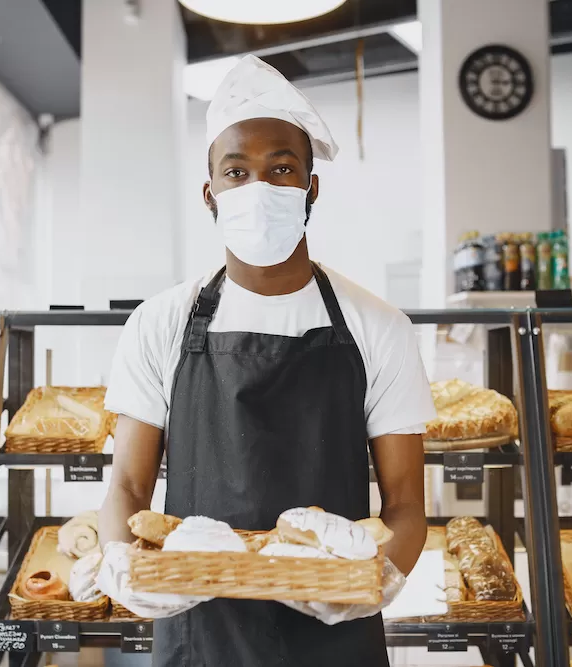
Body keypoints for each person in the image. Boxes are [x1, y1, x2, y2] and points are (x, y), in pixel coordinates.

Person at [97, 55, 436, 667]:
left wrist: (382, 576)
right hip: (200, 630)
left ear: (311, 185)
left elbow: (407, 503)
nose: (260, 189)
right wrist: (123, 562)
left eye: (282, 169)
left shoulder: (378, 327)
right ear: (211, 194)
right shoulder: (160, 324)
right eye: (237, 171)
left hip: (336, 632)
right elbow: (127, 485)